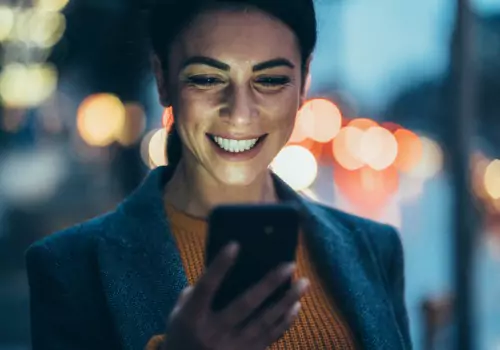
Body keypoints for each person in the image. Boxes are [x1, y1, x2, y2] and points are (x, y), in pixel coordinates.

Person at [25, 0, 412, 349]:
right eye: (207, 79)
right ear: (163, 78)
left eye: (271, 80)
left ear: (304, 81)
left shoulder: (374, 248)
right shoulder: (71, 267)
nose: (240, 113)